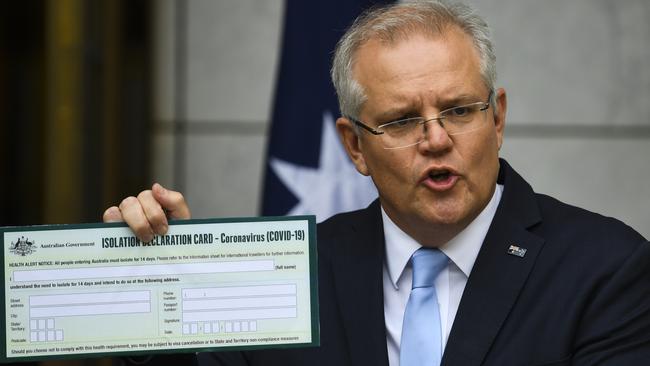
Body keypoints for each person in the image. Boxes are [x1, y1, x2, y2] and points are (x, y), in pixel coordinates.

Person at [105, 1, 650, 365]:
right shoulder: (293, 275)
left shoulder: (606, 268)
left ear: (498, 119)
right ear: (355, 146)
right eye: (402, 120)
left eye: (459, 111)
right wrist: (158, 288)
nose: (436, 139)